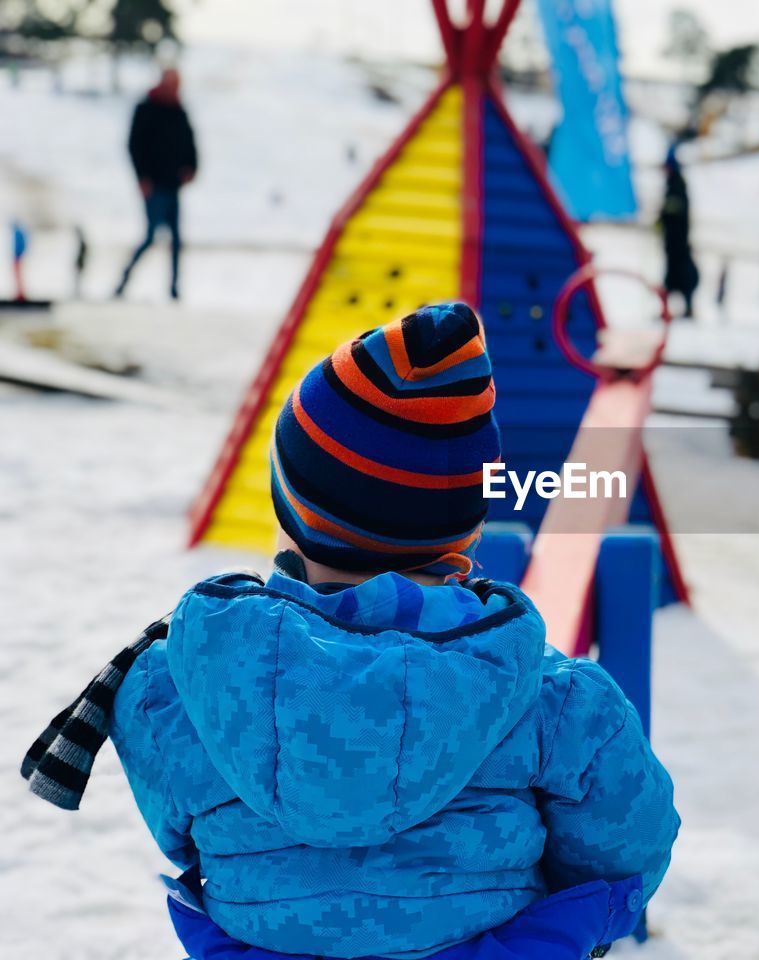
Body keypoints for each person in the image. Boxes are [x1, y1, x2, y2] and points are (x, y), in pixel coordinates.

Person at [22, 303, 679, 960]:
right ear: (464, 534)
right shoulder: (555, 702)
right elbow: (626, 843)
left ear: (293, 513)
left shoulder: (179, 679)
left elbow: (182, 827)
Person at [116, 67, 197, 300]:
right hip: (154, 186)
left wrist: (192, 168)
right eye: (172, 84)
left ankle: (173, 289)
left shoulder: (179, 110)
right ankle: (124, 280)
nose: (175, 89)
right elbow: (134, 145)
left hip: (173, 185)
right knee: (151, 236)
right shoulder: (146, 109)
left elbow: (190, 142)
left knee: (176, 240)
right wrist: (142, 177)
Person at [659, 146, 699, 318]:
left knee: (681, 276)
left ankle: (685, 307)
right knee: (672, 276)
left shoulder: (677, 185)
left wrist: (664, 217)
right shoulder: (672, 184)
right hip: (672, 242)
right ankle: (668, 307)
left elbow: (675, 212)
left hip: (678, 242)